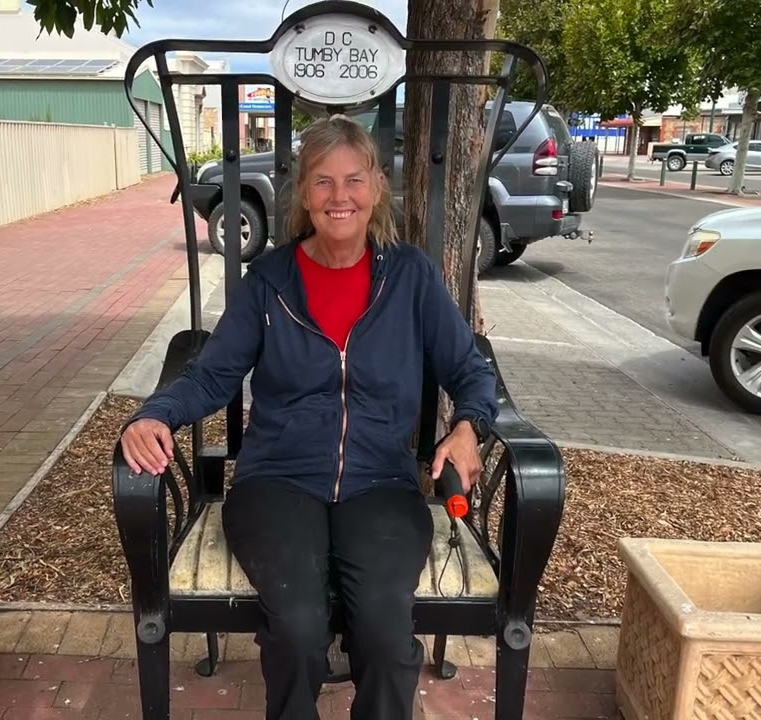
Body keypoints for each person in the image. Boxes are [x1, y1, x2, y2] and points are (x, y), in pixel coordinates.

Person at [118, 113, 499, 720]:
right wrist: (154, 414)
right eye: (323, 181)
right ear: (304, 194)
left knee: (381, 625)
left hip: (382, 482)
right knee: (296, 625)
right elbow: (213, 374)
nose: (339, 196)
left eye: (353, 179)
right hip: (277, 480)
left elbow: (471, 369)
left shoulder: (411, 278)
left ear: (376, 185)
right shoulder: (269, 282)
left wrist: (467, 425)